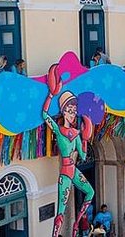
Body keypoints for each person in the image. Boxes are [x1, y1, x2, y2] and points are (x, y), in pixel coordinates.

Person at [43, 64, 94, 237]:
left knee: (90, 192)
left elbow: (84, 155)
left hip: (74, 170)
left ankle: (77, 223)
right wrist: (51, 95)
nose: (72, 114)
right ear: (64, 111)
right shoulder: (58, 130)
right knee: (60, 211)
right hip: (65, 173)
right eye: (69, 110)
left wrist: (85, 140)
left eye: (74, 111)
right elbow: (44, 115)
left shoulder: (77, 134)